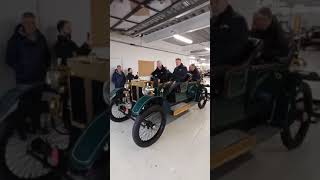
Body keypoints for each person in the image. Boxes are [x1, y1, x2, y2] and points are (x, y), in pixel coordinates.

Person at [6, 12, 51, 139]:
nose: (30, 25)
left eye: (32, 22)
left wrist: (44, 67)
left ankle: (35, 127)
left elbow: (47, 55)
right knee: (23, 107)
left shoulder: (40, 37)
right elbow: (9, 59)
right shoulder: (15, 40)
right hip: (24, 81)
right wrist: (22, 68)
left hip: (39, 79)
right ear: (22, 23)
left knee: (36, 106)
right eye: (27, 22)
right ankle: (21, 130)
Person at [211, 0, 249, 66]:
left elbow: (237, 50)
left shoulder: (237, 20)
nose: (213, 5)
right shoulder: (213, 21)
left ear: (225, 1)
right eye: (211, 3)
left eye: (216, 1)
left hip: (227, 68)